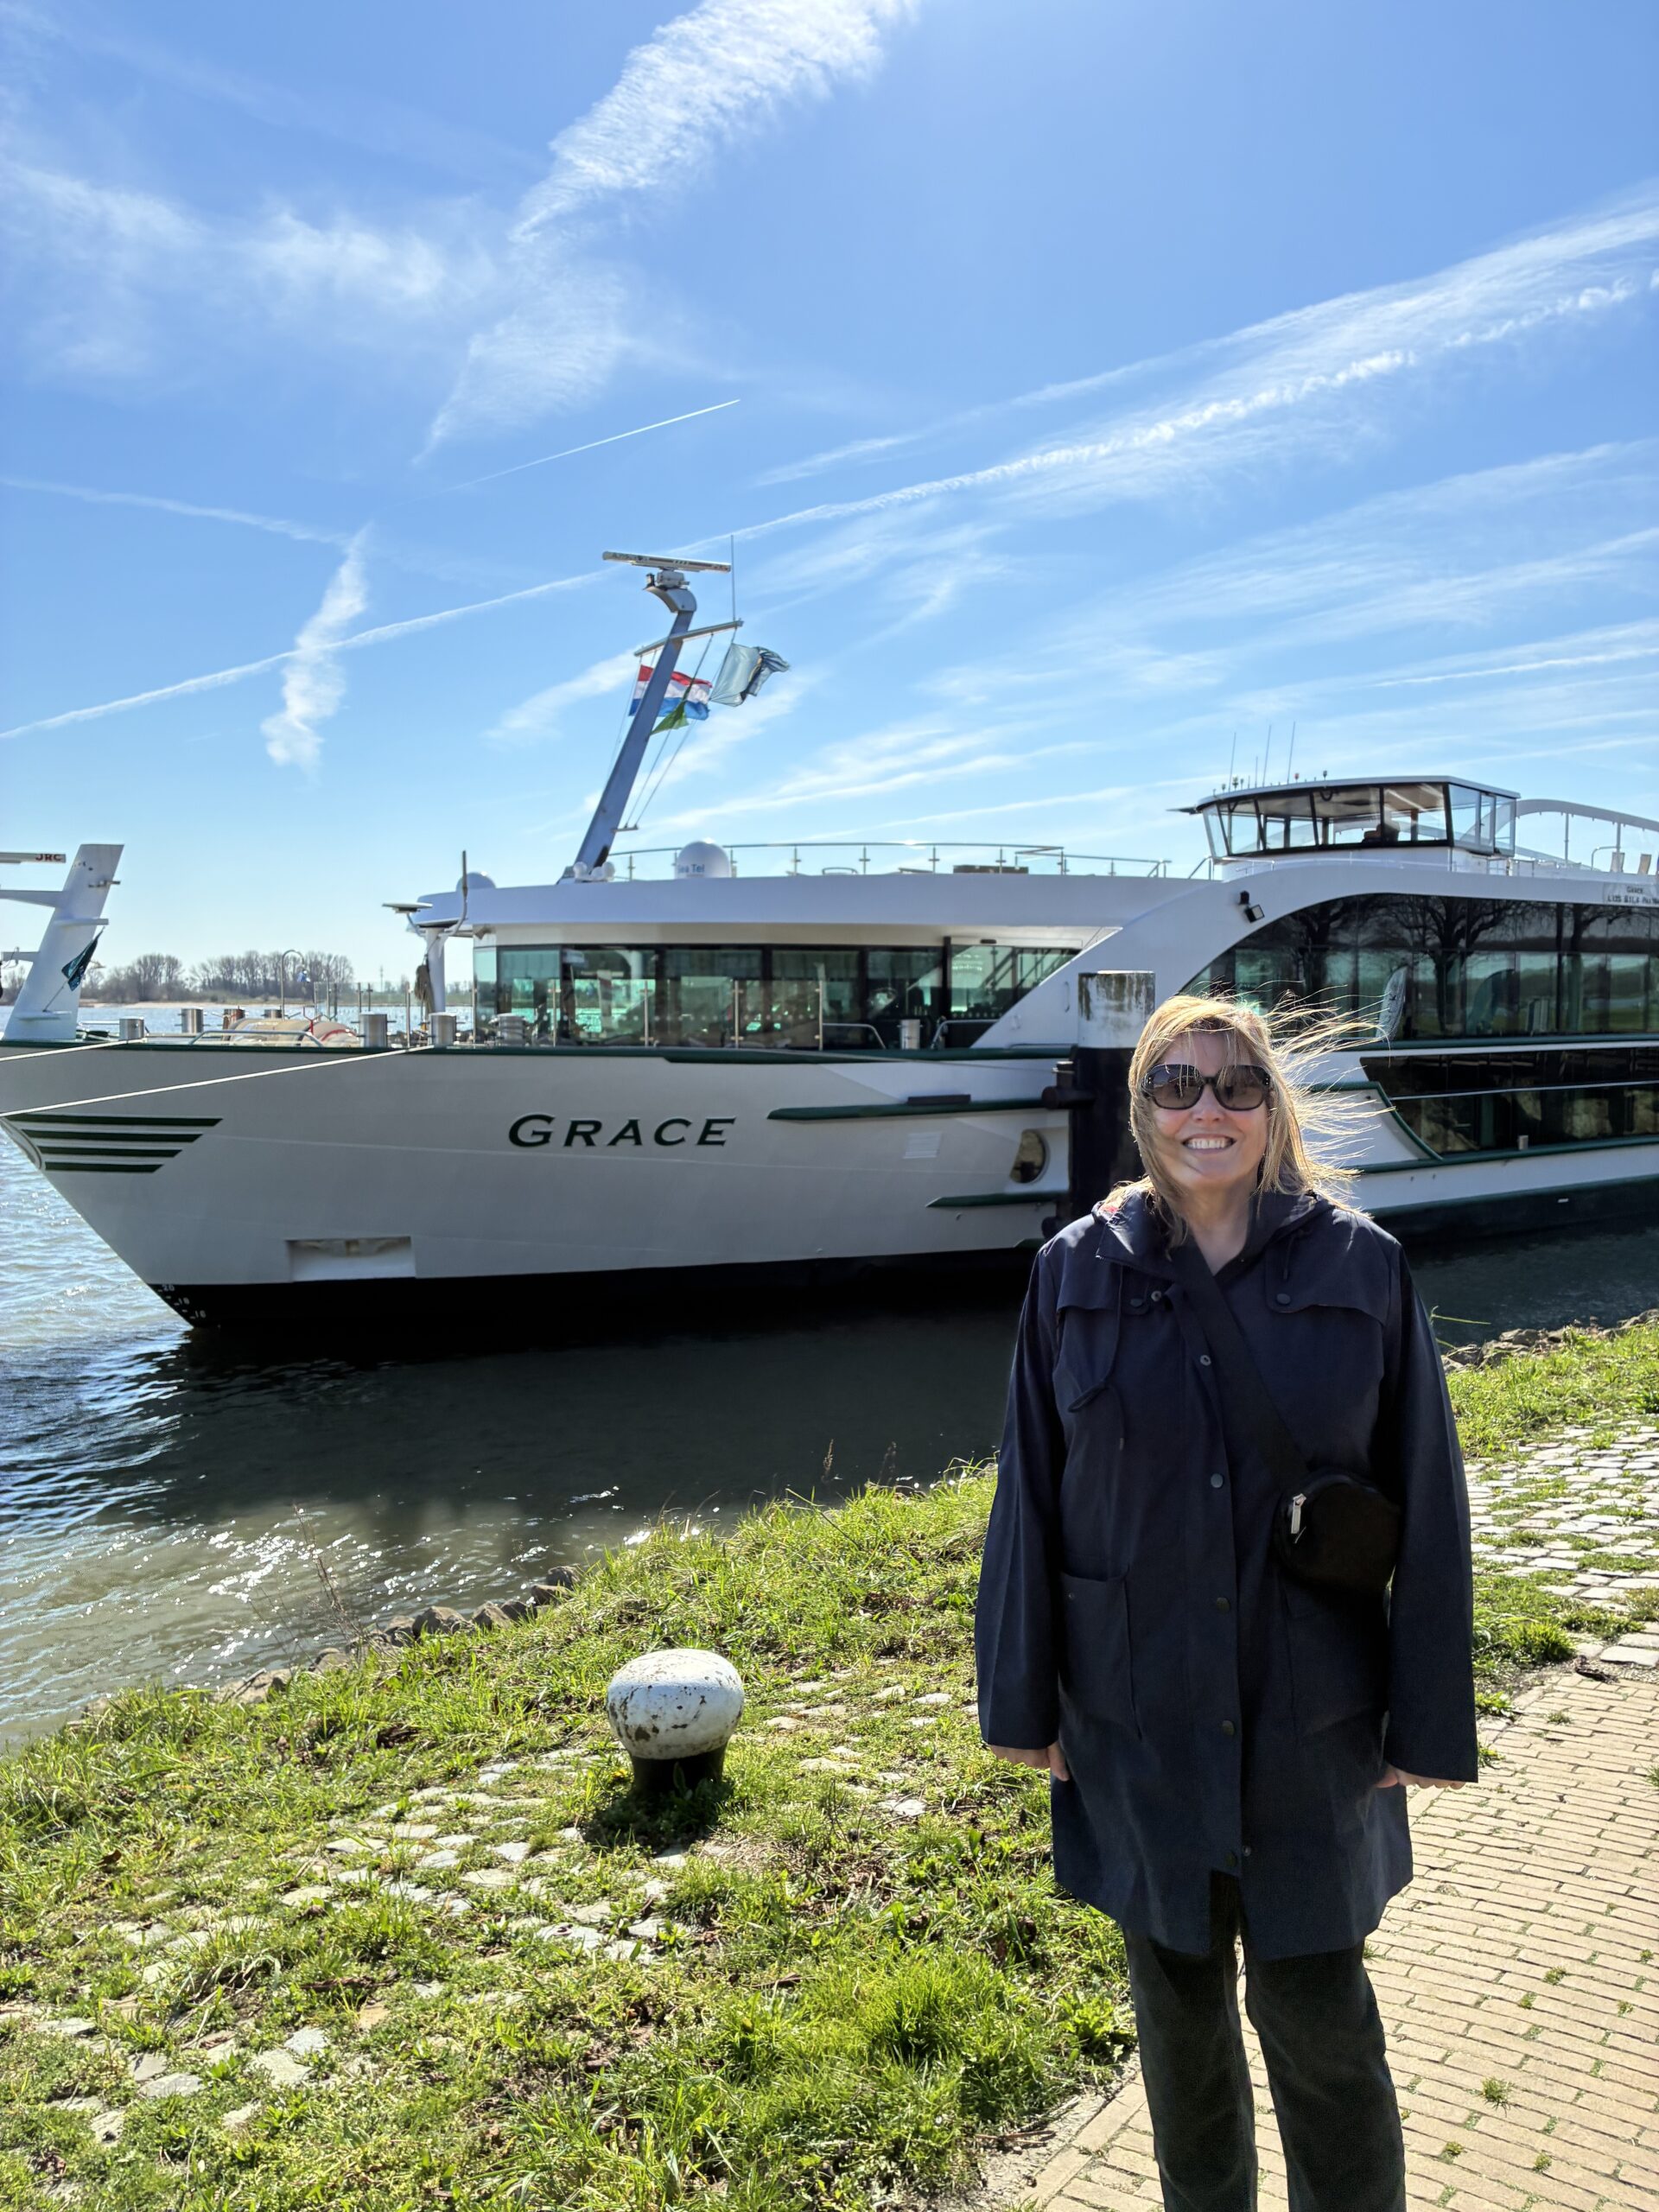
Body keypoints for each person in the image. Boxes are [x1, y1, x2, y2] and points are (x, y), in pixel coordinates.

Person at [976, 992, 1477, 2212]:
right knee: (1179, 2039)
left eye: (1238, 1084)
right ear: (1143, 1109)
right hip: (1135, 1723)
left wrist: (1422, 1724)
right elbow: (1028, 1501)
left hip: (1314, 1725)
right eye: (1178, 1086)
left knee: (1322, 2030)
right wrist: (1022, 1701)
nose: (1210, 1110)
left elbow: (1429, 1497)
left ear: (1273, 1105)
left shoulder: (1362, 1264)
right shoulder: (1072, 1273)